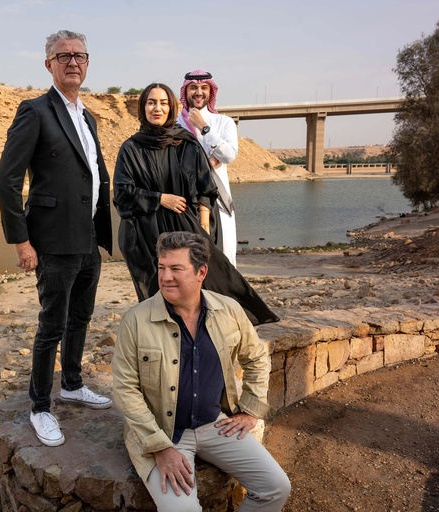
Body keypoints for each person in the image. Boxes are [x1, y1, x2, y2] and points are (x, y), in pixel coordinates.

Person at [112, 231, 291, 512]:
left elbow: (256, 356)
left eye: (176, 269)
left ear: (201, 272)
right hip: (163, 433)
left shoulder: (229, 310)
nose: (165, 277)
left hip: (215, 424)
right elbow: (125, 390)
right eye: (162, 267)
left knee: (276, 487)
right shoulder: (136, 320)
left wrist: (251, 409)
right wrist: (161, 448)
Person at [0, 29, 113, 447]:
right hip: (53, 240)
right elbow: (7, 180)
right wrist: (22, 241)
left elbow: (91, 174)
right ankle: (40, 407)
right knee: (51, 326)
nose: (73, 62)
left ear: (87, 62)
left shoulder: (88, 116)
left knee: (80, 317)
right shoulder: (35, 111)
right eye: (64, 56)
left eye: (80, 55)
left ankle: (73, 384)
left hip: (88, 237)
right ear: (49, 64)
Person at [113, 83, 278, 326]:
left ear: (171, 107)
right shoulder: (131, 148)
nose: (157, 108)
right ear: (143, 108)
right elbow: (122, 192)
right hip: (144, 231)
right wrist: (160, 198)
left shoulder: (186, 143)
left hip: (185, 226)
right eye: (151, 102)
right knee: (157, 292)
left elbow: (205, 188)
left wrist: (203, 226)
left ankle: (224, 327)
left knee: (212, 281)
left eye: (163, 103)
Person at [177, 70, 240, 266]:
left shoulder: (223, 122)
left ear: (211, 91)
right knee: (186, 259)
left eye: (204, 87)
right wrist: (209, 160)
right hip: (184, 201)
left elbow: (228, 155)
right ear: (185, 91)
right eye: (193, 87)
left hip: (218, 201)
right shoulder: (175, 124)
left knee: (224, 257)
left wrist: (204, 128)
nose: (199, 92)